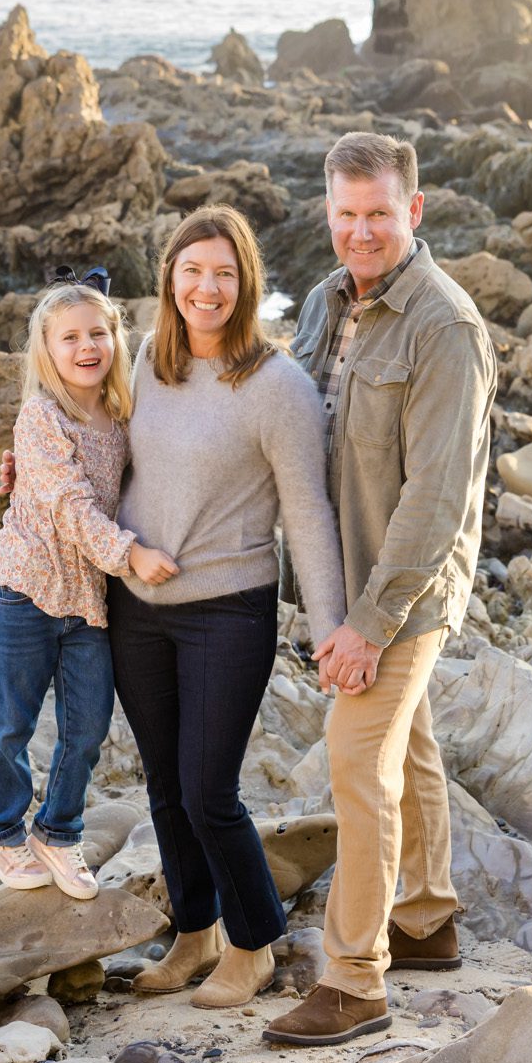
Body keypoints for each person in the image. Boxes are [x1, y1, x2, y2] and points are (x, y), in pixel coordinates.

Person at [263, 132, 498, 1046]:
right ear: (329, 212)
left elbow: (437, 499)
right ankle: (430, 916)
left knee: (358, 760)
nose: (362, 232)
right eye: (347, 214)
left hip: (403, 586)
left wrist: (367, 624)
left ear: (416, 210)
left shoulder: (444, 327)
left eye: (380, 214)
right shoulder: (331, 301)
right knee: (412, 743)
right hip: (354, 571)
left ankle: (356, 980)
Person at [109, 205, 350, 1009]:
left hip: (228, 612)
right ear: (169, 280)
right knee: (166, 786)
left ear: (246, 283)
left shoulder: (278, 386)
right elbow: (103, 456)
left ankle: (254, 943)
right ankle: (194, 933)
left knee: (210, 788)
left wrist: (329, 629)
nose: (206, 288)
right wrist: (28, 476)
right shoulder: (147, 360)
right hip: (138, 607)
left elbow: (308, 513)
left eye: (223, 273)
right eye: (191, 271)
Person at [0, 279, 181, 898]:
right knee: (11, 724)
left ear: (117, 340)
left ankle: (58, 833)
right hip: (25, 592)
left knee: (87, 728)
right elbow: (69, 503)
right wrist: (130, 554)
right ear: (47, 350)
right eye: (71, 337)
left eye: (99, 333)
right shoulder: (41, 415)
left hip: (88, 600)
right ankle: (0, 832)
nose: (88, 346)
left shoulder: (119, 417)